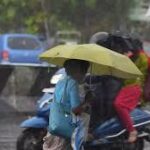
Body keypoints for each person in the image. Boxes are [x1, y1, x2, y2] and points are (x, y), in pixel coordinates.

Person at [90, 31, 149, 143]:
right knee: (92, 100)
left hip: (126, 84)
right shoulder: (106, 56)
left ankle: (131, 130)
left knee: (115, 103)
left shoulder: (127, 55)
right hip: (116, 82)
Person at [43, 59, 91, 150]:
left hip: (55, 124)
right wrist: (87, 102)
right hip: (66, 128)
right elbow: (75, 109)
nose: (85, 75)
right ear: (78, 71)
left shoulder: (62, 81)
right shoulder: (73, 84)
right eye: (84, 71)